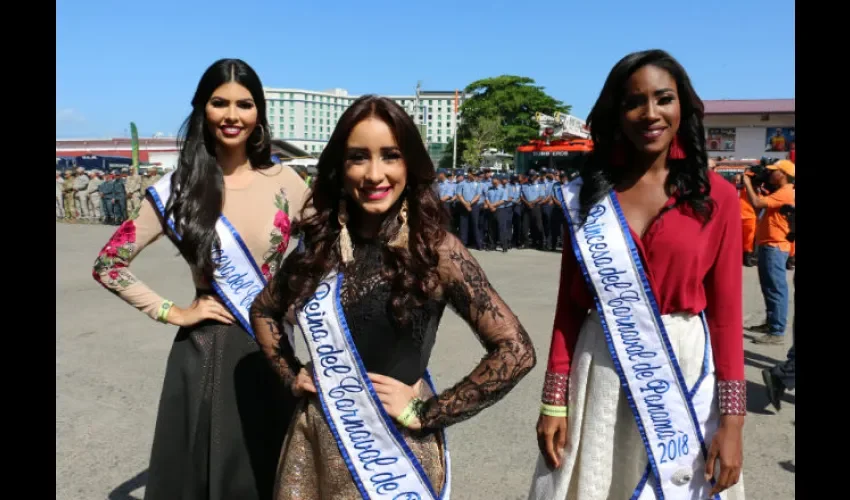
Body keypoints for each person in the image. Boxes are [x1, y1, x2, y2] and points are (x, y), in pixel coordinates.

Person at [249, 95, 536, 499]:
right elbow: (264, 309)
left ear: (410, 164)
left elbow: (515, 350)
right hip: (314, 441)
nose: (373, 174)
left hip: (395, 449)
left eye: (390, 156)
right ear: (340, 167)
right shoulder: (317, 248)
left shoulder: (435, 249)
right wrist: (291, 374)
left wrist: (429, 411)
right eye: (357, 157)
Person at [529, 49, 746, 500]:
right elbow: (569, 308)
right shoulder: (586, 197)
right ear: (616, 112)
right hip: (601, 373)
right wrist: (554, 400)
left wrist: (732, 421)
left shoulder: (718, 197)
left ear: (682, 105)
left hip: (685, 374)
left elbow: (726, 318)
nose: (650, 113)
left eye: (663, 98)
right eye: (634, 102)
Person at [91, 58, 309, 500]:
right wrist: (173, 311)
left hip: (272, 346)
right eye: (219, 103)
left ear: (259, 112)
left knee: (275, 472)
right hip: (209, 349)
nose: (232, 115)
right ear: (202, 110)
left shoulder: (287, 180)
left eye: (244, 104)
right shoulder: (178, 187)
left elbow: (329, 250)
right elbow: (109, 263)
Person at [742, 160, 795, 344]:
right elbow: (758, 206)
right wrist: (757, 188)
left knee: (775, 288)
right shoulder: (780, 192)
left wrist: (747, 183)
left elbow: (756, 202)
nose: (770, 174)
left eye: (774, 171)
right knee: (768, 287)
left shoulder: (786, 191)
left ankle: (777, 331)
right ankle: (771, 323)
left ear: (783, 174)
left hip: (775, 244)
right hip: (769, 243)